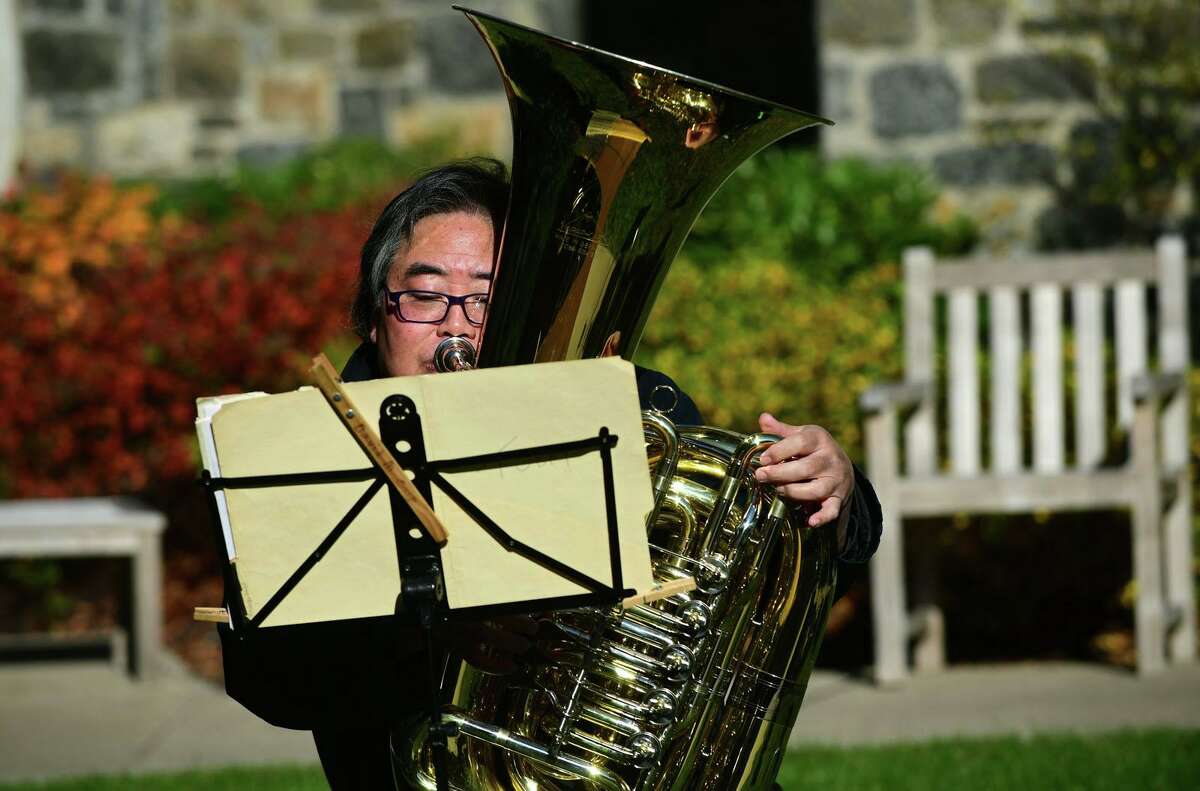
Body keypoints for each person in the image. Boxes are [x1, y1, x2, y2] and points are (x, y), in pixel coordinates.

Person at [219, 158, 882, 790]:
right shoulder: (307, 454)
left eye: (488, 300)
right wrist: (430, 639)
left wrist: (833, 498)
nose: (457, 329)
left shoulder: (633, 411)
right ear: (374, 315)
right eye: (424, 295)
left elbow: (761, 600)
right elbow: (267, 678)